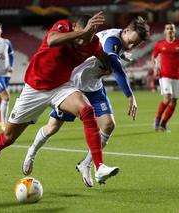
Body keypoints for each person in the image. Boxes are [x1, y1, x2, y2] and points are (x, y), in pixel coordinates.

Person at [0, 12, 120, 185]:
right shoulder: (62, 26)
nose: (83, 42)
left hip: (61, 87)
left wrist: (108, 65)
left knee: (86, 110)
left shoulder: (92, 43)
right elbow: (52, 40)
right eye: (81, 36)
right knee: (8, 137)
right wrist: (82, 33)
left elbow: (103, 56)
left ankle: (99, 167)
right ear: (75, 27)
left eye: (88, 38)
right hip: (34, 88)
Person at [21, 17, 150, 187]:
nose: (131, 46)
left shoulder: (118, 41)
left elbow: (113, 55)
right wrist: (130, 95)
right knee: (53, 127)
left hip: (94, 86)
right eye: (131, 42)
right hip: (74, 85)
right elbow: (116, 67)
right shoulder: (112, 40)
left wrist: (123, 54)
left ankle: (86, 164)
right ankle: (32, 151)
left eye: (136, 45)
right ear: (125, 31)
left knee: (109, 125)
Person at [152, 23, 179, 133]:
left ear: (175, 31)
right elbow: (154, 57)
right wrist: (155, 67)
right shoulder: (160, 44)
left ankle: (163, 125)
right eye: (168, 28)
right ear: (165, 31)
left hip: (177, 76)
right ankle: (157, 119)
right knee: (167, 98)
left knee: (174, 101)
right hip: (164, 75)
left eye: (172, 29)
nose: (170, 30)